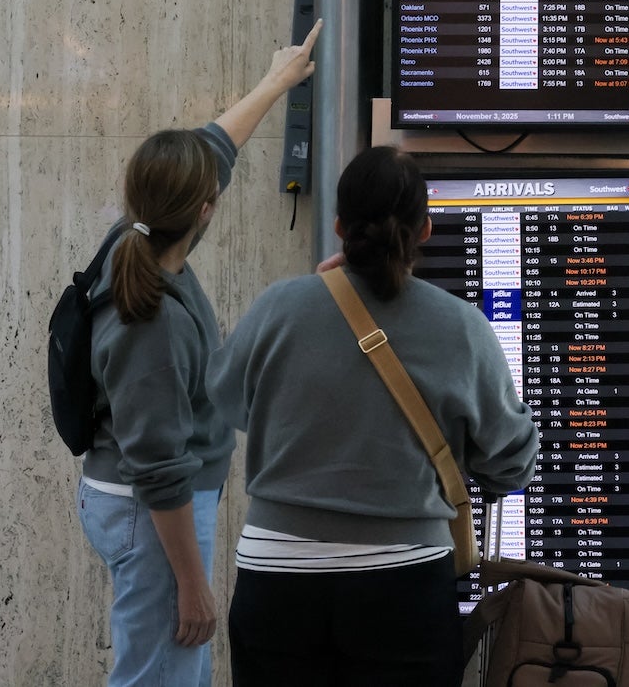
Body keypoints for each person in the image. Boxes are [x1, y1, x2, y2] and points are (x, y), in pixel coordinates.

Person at [207, 145, 540, 686]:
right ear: (425, 229)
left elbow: (225, 398)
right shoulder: (462, 328)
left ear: (339, 226)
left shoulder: (278, 307)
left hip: (277, 575)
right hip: (404, 580)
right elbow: (512, 459)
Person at [77, 19, 322, 687]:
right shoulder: (151, 320)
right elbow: (158, 465)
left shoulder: (133, 237)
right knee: (163, 677)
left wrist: (279, 79)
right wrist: (191, 583)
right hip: (151, 513)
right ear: (207, 210)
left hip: (138, 503)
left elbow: (214, 145)